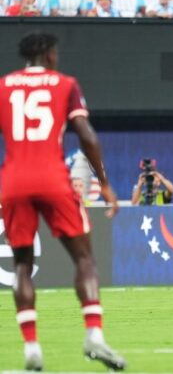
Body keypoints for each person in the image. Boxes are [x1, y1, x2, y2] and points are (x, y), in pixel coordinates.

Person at [0, 33, 125, 371]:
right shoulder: (65, 84)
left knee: (22, 265)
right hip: (53, 177)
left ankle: (31, 347)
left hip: (14, 180)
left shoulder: (4, 86)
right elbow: (86, 134)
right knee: (84, 257)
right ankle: (94, 335)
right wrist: (104, 182)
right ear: (50, 55)